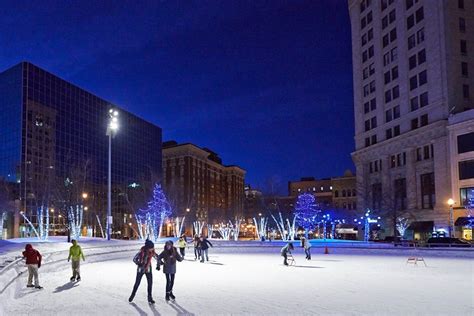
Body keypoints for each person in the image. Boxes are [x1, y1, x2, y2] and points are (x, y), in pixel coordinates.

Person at [129, 239, 158, 304]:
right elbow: (134, 259)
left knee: (150, 283)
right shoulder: (141, 252)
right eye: (151, 248)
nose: (152, 249)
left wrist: (160, 263)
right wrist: (139, 263)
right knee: (137, 283)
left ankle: (150, 298)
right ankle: (132, 295)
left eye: (153, 248)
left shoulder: (152, 252)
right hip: (141, 269)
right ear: (148, 248)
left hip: (148, 269)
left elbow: (157, 257)